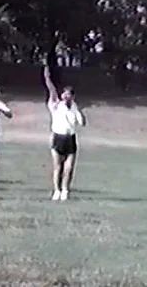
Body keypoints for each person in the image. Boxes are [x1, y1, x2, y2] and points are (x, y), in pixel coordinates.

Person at [42, 65, 86, 201]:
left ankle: (65, 190)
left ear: (73, 96)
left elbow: (82, 123)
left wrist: (78, 111)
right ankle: (57, 190)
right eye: (65, 93)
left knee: (69, 168)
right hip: (58, 138)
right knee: (58, 167)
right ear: (62, 95)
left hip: (70, 139)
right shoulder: (56, 105)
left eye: (70, 94)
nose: (67, 96)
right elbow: (52, 90)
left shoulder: (74, 107)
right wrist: (47, 78)